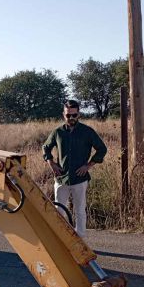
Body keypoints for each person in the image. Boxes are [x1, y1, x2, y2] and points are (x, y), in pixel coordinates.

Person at [42, 100, 107, 237]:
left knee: (79, 210)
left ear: (78, 114)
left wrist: (88, 166)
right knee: (59, 210)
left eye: (74, 115)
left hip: (80, 178)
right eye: (68, 115)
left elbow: (102, 149)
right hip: (61, 178)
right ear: (63, 115)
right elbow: (46, 147)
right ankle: (61, 238)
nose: (71, 118)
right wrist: (51, 163)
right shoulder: (57, 132)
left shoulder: (87, 132)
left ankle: (80, 239)